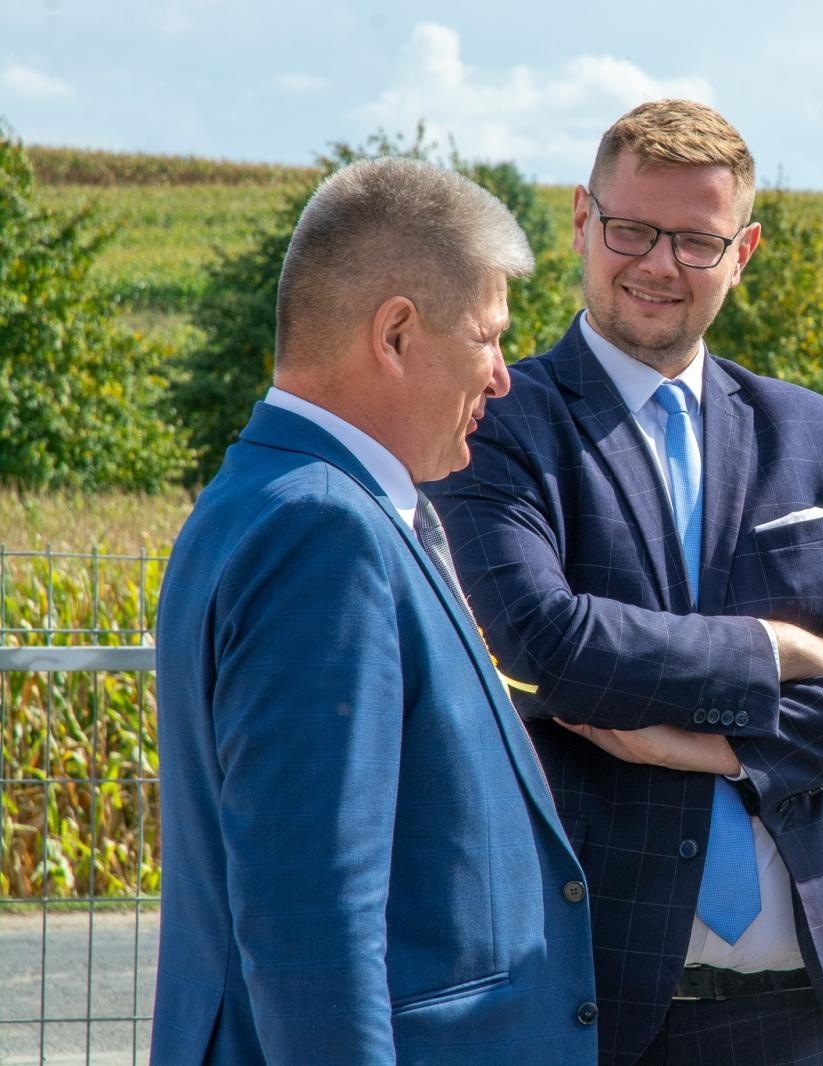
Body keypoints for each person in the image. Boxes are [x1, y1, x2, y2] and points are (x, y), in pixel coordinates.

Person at [433, 100, 823, 1066]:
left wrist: (716, 750)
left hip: (800, 1005)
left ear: (745, 250)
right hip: (589, 992)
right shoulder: (501, 421)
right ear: (580, 221)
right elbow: (543, 642)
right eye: (632, 229)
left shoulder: (817, 436)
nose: (660, 263)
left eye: (698, 241)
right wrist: (776, 653)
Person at [153, 158, 597, 1064]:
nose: (505, 376)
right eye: (488, 337)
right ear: (396, 334)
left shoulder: (273, 496)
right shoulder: (323, 528)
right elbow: (313, 915)